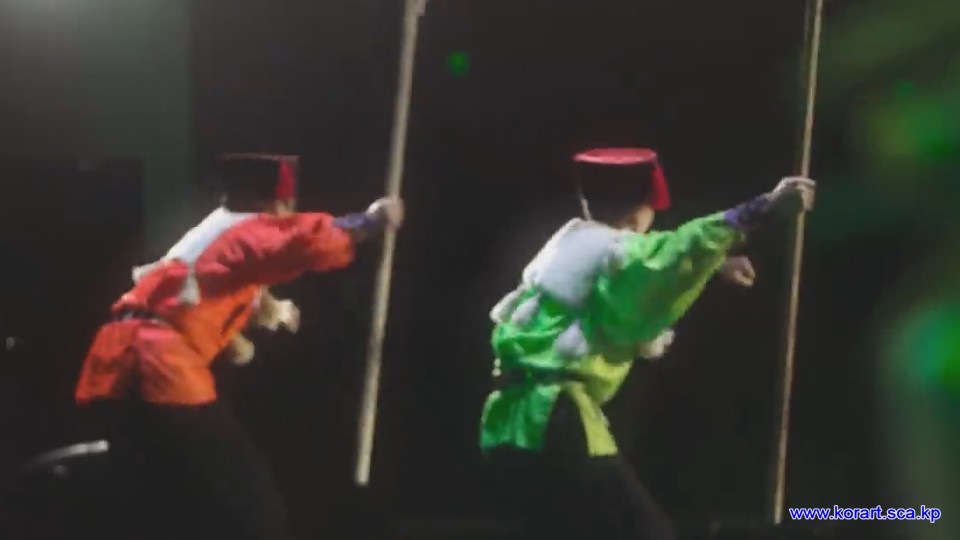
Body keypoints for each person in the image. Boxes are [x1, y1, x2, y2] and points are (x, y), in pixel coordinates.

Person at [479, 148, 815, 540]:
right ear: (639, 214)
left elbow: (631, 281)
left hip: (507, 425)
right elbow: (677, 252)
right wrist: (765, 207)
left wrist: (712, 268)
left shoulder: (567, 248)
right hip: (552, 419)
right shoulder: (621, 251)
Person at [73, 153, 404, 540]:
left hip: (113, 366)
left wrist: (264, 319)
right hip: (159, 367)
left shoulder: (208, 236)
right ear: (275, 202)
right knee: (248, 501)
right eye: (286, 206)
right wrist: (371, 221)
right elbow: (307, 241)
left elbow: (199, 297)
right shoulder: (249, 226)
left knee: (157, 493)